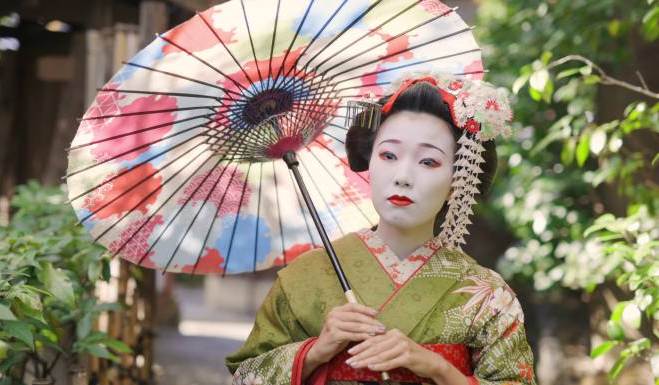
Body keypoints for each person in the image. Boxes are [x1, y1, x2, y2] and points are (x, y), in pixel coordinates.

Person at [224, 72, 537, 385]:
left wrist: (438, 369)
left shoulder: (488, 294)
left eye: (428, 161)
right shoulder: (306, 277)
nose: (402, 176)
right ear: (369, 162)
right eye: (388, 155)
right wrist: (315, 352)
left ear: (459, 180)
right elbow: (243, 378)